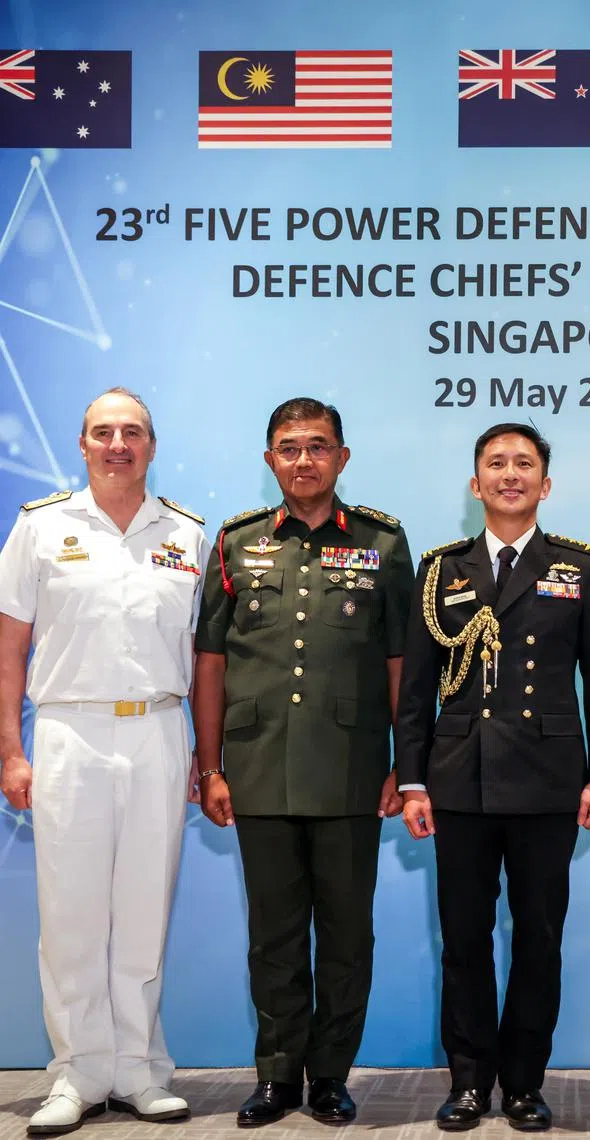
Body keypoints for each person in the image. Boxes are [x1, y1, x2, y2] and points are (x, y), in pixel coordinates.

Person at [192, 397, 414, 1127]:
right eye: (289, 448)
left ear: (342, 458)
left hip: (351, 770)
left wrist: (402, 763)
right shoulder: (236, 542)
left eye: (318, 446)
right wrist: (210, 764)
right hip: (257, 769)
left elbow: (398, 662)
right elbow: (212, 660)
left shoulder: (383, 541)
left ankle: (330, 1077)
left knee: (347, 935)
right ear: (270, 461)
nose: (303, 460)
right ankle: (276, 1076)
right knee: (275, 937)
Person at [396, 423, 590, 1132]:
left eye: (524, 464)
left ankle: (524, 1081)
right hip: (459, 778)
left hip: (550, 779)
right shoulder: (442, 570)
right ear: (475, 484)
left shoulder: (576, 567)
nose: (510, 474)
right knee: (463, 939)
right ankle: (469, 1081)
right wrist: (412, 782)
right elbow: (415, 691)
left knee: (538, 937)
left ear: (545, 484)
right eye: (496, 463)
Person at [0, 388, 206, 1134]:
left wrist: (202, 754)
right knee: (72, 913)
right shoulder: (41, 528)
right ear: (82, 445)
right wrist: (10, 751)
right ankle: (76, 1074)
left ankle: (139, 1071)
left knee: (145, 911)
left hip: (157, 728)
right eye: (103, 432)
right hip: (68, 733)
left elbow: (202, 654)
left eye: (133, 432)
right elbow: (8, 648)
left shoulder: (187, 534)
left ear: (152, 445)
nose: (118, 444)